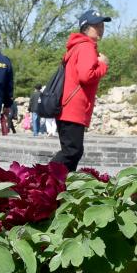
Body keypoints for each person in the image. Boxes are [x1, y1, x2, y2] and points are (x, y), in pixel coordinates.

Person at [50, 9, 111, 171]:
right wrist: (103, 64)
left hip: (68, 107)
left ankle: (59, 182)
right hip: (73, 108)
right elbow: (86, 76)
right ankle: (42, 177)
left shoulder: (77, 46)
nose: (101, 29)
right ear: (85, 28)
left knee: (72, 151)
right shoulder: (86, 47)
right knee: (72, 151)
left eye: (102, 25)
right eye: (97, 25)